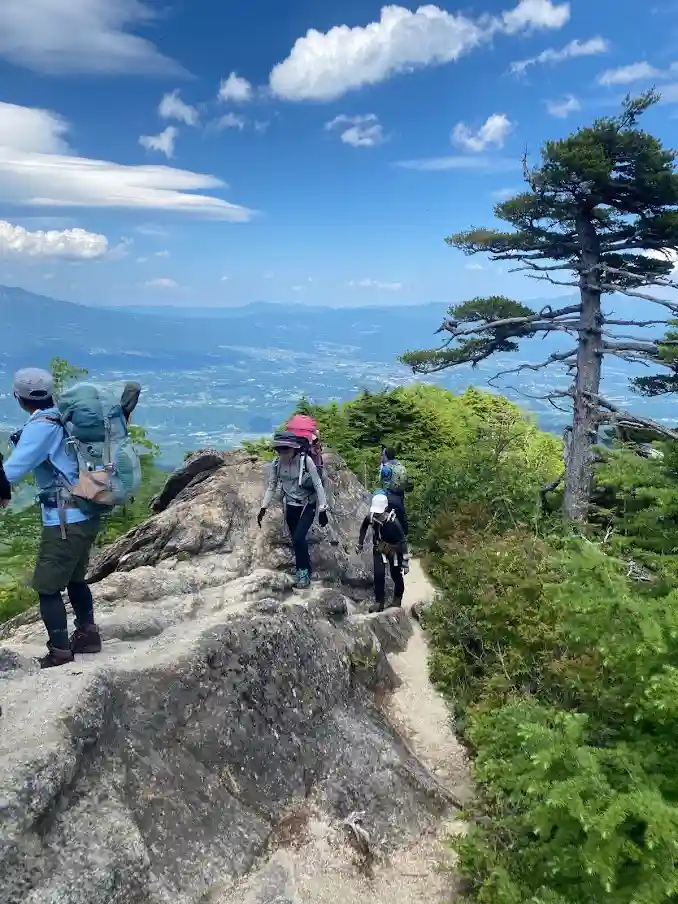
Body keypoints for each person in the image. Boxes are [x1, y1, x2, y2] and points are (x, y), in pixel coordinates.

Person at [2, 368, 102, 668]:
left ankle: (60, 651)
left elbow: (11, 472)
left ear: (18, 398)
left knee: (47, 587)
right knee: (74, 577)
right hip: (87, 511)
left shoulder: (41, 427)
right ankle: (88, 634)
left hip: (63, 519)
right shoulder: (64, 417)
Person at [258, 433, 329, 590]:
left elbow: (318, 484)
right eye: (280, 450)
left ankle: (302, 574)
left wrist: (323, 508)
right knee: (297, 540)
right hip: (290, 506)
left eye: (286, 450)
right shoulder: (277, 464)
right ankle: (305, 569)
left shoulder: (306, 461)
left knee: (298, 538)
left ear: (294, 449)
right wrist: (263, 507)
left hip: (307, 505)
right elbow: (272, 485)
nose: (283, 453)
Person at [357, 493, 410, 613]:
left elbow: (402, 540)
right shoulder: (371, 517)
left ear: (385, 509)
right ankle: (379, 602)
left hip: (394, 551)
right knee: (379, 574)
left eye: (379, 512)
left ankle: (397, 598)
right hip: (379, 548)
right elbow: (363, 527)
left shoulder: (393, 522)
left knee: (396, 574)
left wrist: (405, 562)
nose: (377, 514)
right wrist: (360, 543)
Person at [379, 446, 410, 536]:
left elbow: (381, 483)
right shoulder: (402, 467)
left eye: (383, 455)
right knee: (401, 521)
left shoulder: (386, 468)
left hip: (388, 498)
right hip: (399, 498)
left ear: (386, 456)